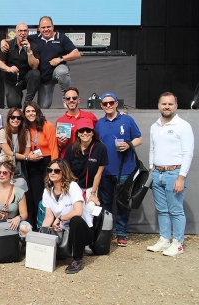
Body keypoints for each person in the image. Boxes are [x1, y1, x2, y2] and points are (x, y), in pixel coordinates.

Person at [147, 92, 194, 256]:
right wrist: (152, 169)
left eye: (170, 104)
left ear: (176, 106)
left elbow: (188, 153)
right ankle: (164, 239)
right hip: (157, 173)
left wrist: (181, 176)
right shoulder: (155, 126)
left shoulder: (183, 126)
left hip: (174, 173)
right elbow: (152, 149)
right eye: (163, 104)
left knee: (175, 210)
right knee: (162, 210)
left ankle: (178, 243)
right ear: (159, 105)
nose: (166, 107)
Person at [94, 92, 142, 247]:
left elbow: (139, 138)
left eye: (111, 102)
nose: (108, 105)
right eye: (105, 103)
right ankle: (106, 231)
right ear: (101, 105)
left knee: (122, 203)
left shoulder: (127, 119)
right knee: (106, 203)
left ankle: (121, 233)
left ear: (116, 103)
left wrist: (129, 144)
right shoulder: (99, 123)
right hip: (105, 171)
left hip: (125, 170)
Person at [1, 16, 81, 108]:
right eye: (43, 27)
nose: (46, 29)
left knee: (62, 72)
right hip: (44, 79)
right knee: (43, 107)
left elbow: (77, 53)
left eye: (48, 27)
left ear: (53, 26)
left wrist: (60, 59)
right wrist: (3, 41)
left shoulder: (61, 38)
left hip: (56, 71)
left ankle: (67, 98)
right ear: (39, 28)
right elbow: (15, 40)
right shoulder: (34, 38)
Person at [41, 158, 94, 274]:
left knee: (76, 220)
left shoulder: (73, 186)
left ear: (64, 172)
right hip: (64, 231)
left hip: (83, 230)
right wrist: (43, 234)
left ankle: (77, 260)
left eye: (56, 171)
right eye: (50, 170)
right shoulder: (47, 191)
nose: (52, 173)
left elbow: (78, 211)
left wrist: (59, 219)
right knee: (43, 229)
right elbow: (49, 217)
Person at [23, 101, 58, 227]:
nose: (31, 113)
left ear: (37, 112)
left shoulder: (47, 125)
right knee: (33, 196)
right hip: (31, 163)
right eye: (28, 111)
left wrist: (54, 168)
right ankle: (33, 225)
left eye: (33, 111)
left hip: (46, 163)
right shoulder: (24, 126)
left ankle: (46, 224)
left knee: (45, 195)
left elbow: (54, 147)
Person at [63, 119, 107, 205]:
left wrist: (93, 194)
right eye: (82, 130)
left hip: (91, 188)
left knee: (90, 209)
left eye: (88, 130)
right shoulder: (71, 148)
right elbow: (66, 170)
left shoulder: (101, 148)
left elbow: (98, 174)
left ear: (93, 133)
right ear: (78, 133)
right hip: (74, 187)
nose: (85, 133)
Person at [0, 23, 40, 108]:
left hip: (25, 78)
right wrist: (9, 68)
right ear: (16, 32)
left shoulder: (33, 46)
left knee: (36, 73)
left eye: (25, 31)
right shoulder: (8, 45)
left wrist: (29, 51)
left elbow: (34, 66)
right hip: (12, 80)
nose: (23, 33)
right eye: (20, 31)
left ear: (28, 32)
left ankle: (28, 102)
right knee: (13, 106)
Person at [56, 88, 98, 157]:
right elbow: (57, 145)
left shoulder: (90, 116)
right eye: (68, 98)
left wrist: (119, 114)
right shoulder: (60, 121)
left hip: (87, 156)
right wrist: (60, 143)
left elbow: (101, 130)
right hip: (68, 158)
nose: (71, 100)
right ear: (65, 101)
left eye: (74, 98)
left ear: (78, 100)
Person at [0, 107, 31, 191]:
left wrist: (25, 157)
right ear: (9, 118)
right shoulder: (2, 132)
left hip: (20, 165)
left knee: (21, 191)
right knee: (5, 190)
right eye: (13, 117)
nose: (15, 120)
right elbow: (9, 153)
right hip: (6, 163)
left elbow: (26, 153)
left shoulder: (26, 132)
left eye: (18, 118)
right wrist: (26, 157)